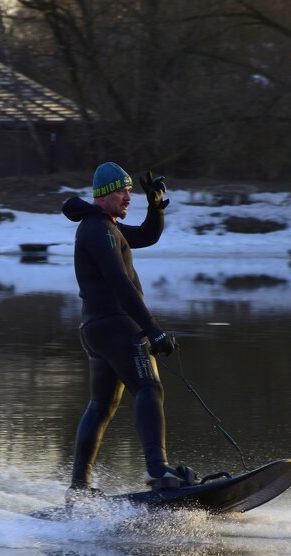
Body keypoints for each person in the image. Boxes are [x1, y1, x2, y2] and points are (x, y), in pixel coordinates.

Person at [61, 162, 198, 502]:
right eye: (121, 192)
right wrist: (152, 331)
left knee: (102, 405)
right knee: (149, 388)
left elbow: (147, 235)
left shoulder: (105, 226)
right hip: (118, 325)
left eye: (129, 191)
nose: (127, 197)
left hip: (96, 328)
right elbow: (120, 284)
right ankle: (158, 470)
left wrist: (156, 208)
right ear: (103, 195)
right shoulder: (99, 230)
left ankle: (79, 488)